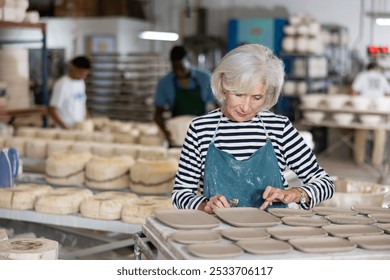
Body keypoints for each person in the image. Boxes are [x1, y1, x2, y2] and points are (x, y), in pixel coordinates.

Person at [172, 44, 335, 213]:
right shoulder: (201, 129)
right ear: (223, 84)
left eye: (257, 97)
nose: (246, 107)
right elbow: (180, 194)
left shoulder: (279, 128)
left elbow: (325, 183)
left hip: (271, 231)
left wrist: (296, 193)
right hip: (216, 231)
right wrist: (205, 205)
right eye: (238, 94)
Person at [154, 45, 218, 146]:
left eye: (181, 67)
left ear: (188, 60)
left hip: (202, 134)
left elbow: (218, 107)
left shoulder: (205, 78)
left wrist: (214, 130)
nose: (178, 71)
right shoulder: (165, 83)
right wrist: (166, 133)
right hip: (176, 135)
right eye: (175, 68)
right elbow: (158, 113)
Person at [351, 62, 390, 166]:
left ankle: (359, 160)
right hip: (378, 110)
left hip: (365, 110)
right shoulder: (382, 77)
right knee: (380, 135)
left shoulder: (362, 76)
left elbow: (354, 92)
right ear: (376, 68)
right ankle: (377, 161)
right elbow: (388, 93)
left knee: (361, 134)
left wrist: (357, 104)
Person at [49, 56, 91, 129]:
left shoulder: (81, 82)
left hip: (79, 126)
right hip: (64, 128)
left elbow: (82, 103)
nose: (84, 76)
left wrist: (87, 120)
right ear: (74, 68)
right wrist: (65, 127)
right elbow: (52, 110)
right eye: (81, 73)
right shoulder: (62, 85)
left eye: (86, 74)